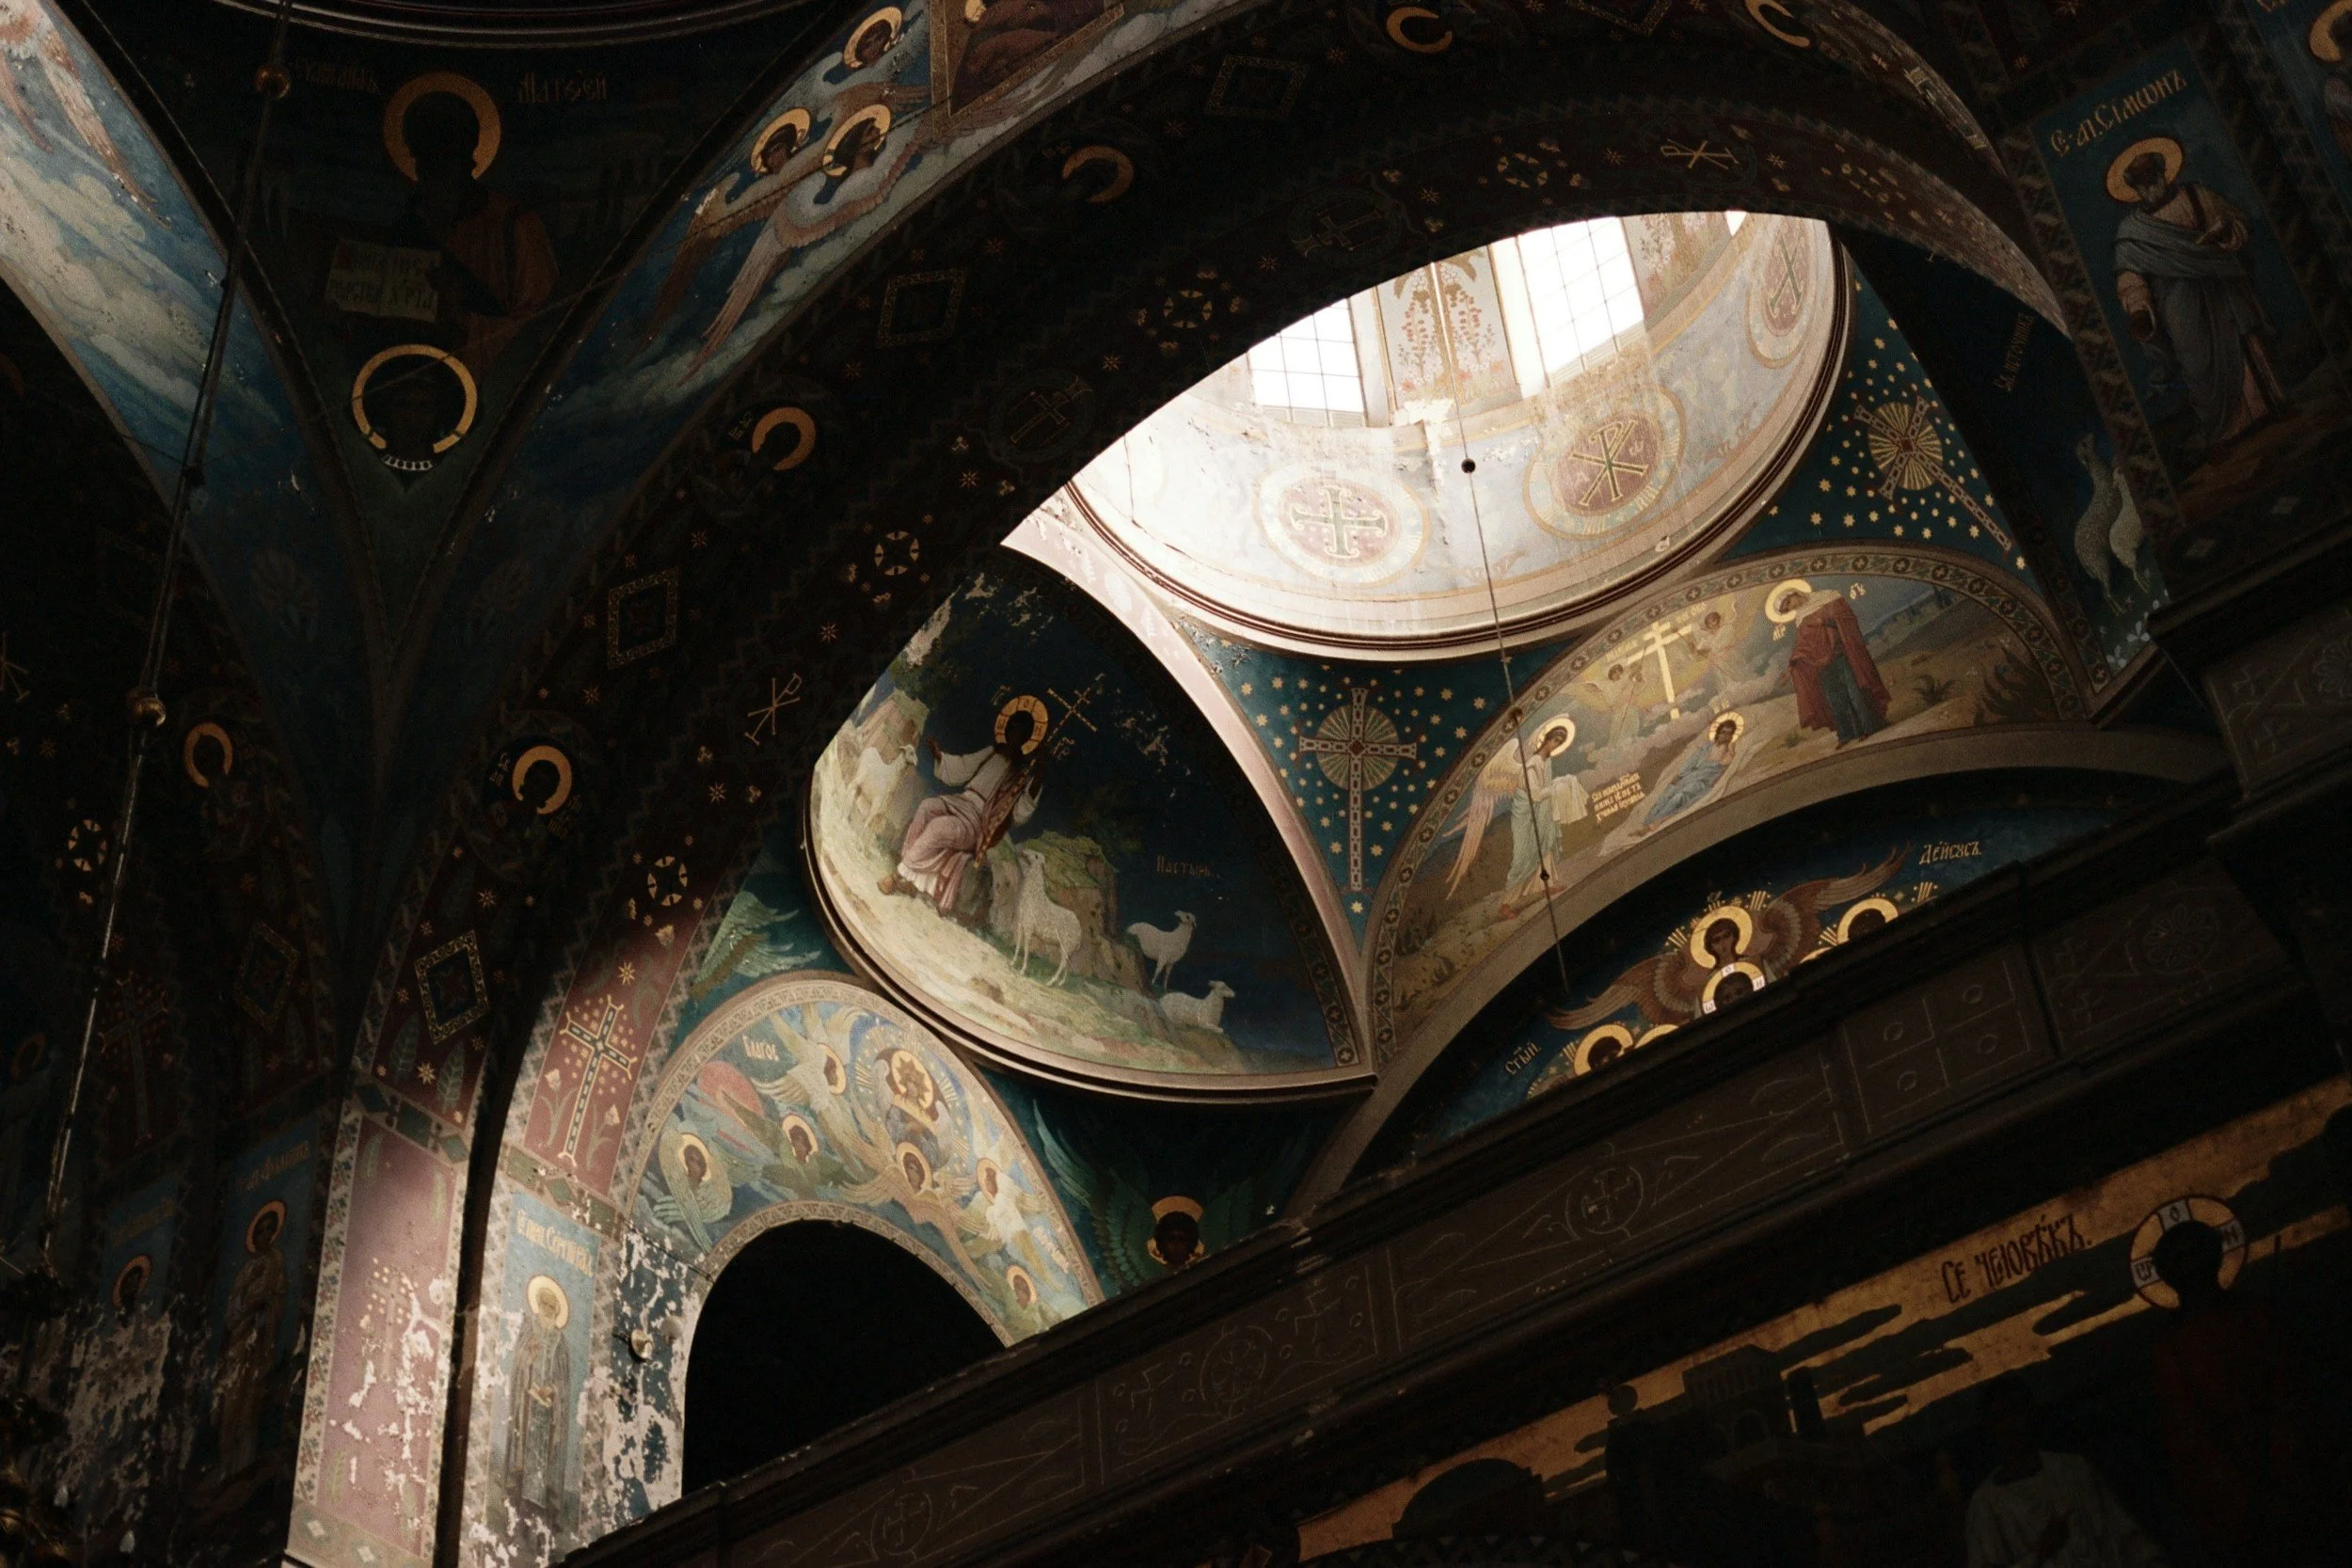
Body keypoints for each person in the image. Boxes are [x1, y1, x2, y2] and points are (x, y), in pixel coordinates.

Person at [2148, 1219, 2343, 1566]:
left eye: (2195, 1253)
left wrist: (2289, 1474)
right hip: (2238, 1511)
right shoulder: (2171, 1351)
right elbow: (2191, 1441)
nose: (2190, 1265)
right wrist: (2247, 1498)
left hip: (2296, 1483)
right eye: (2180, 1259)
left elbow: (2293, 1399)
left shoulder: (2257, 1317)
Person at [2110, 143, 2286, 455]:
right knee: (2198, 366)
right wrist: (2138, 309)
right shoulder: (2133, 231)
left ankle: (2268, 409)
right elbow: (2129, 277)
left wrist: (2226, 234)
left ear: (2163, 171)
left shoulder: (2195, 195)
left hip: (2221, 290)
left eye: (2151, 173)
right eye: (2140, 179)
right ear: (2133, 187)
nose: (2148, 182)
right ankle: (2226, 432)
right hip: (2179, 308)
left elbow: (2237, 221)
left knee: (2243, 349)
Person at [389, 91, 559, 382]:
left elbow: (540, 330)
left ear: (466, 158)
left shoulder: (515, 226)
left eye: (444, 162)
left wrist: (462, 317)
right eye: (425, 163)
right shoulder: (410, 226)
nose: (433, 177)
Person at [1963, 1375, 2166, 1568]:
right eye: (2000, 1418)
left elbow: (2125, 1536)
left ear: (2029, 1413)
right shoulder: (1986, 1506)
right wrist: (2038, 1554)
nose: (2010, 1426)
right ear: (1990, 1429)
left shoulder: (2073, 1471)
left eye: (2014, 1412)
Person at [882, 705, 1045, 916]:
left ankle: (897, 877)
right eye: (1012, 729)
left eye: (1019, 733)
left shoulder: (1021, 775)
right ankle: (912, 877)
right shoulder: (991, 752)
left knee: (939, 828)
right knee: (926, 807)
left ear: (1025, 740)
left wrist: (1039, 773)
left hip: (977, 822)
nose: (1013, 735)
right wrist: (940, 756)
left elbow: (1021, 812)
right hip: (960, 801)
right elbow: (965, 765)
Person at [1774, 583, 1890, 745]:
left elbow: (1845, 618)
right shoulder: (1800, 618)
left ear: (1793, 593)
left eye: (1788, 603)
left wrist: (1824, 621)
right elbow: (1803, 646)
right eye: (1787, 609)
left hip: (1841, 655)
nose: (1791, 607)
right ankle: (1847, 734)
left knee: (1855, 692)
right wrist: (1791, 667)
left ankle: (1870, 726)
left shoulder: (1827, 597)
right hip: (1822, 665)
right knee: (1835, 700)